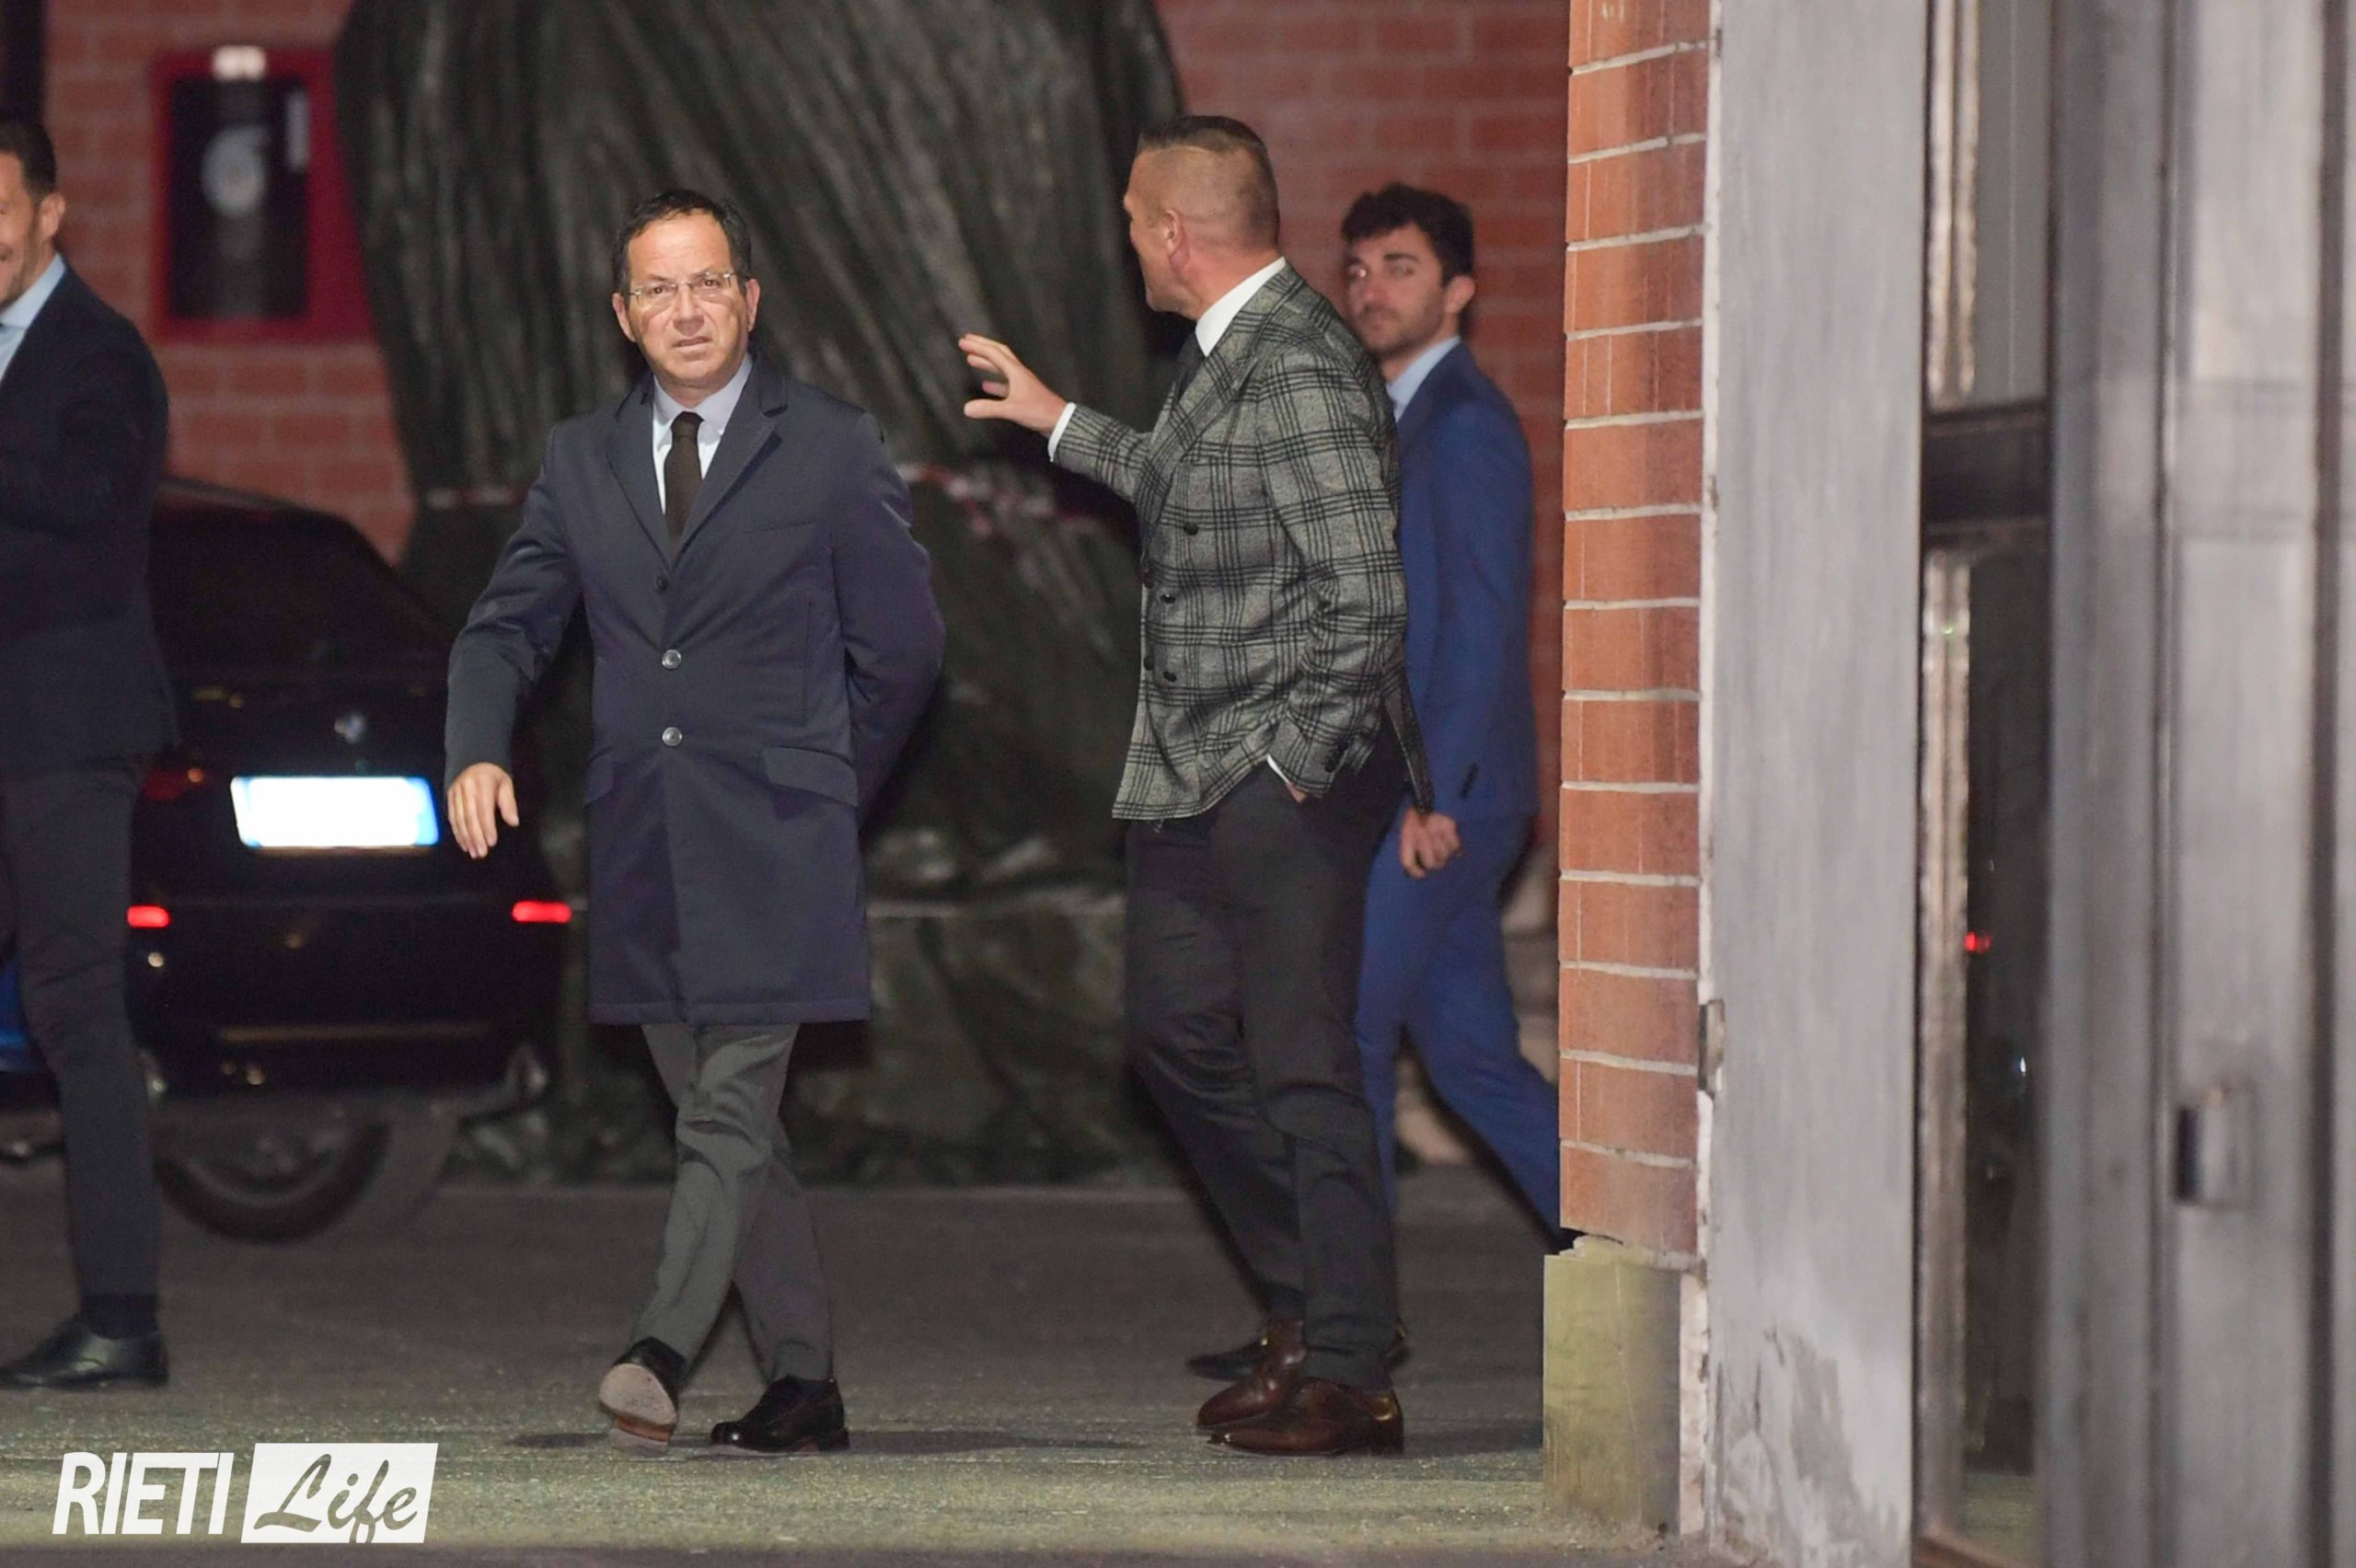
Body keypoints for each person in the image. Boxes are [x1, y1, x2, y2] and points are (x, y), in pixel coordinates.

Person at [961, 116, 1432, 1458]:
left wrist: (1290, 765)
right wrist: (1058, 421)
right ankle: (1308, 1302)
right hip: (1186, 765)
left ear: (1173, 233)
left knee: (1301, 1064)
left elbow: (1368, 599)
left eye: (1131, 219)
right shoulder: (1225, 350)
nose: (1125, 241)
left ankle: (1352, 1368)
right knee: (1171, 1034)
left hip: (1280, 774)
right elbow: (1185, 486)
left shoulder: (1301, 364)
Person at [445, 189, 943, 1456]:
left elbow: (902, 650)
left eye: (708, 282)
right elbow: (507, 628)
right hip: (646, 840)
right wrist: (476, 746)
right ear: (624, 316)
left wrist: (824, 789)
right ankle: (805, 1383)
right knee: (732, 1126)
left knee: (726, 1109)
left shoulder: (828, 445)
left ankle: (659, 1345)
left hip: (780, 838)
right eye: (659, 289)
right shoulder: (582, 457)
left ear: (750, 300)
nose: (687, 310)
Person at [1339, 185, 1556, 1223]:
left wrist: (1435, 795)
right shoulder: (1396, 419)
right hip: (1421, 793)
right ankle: (1634, 1253)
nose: (1370, 290)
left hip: (1440, 802)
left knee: (1341, 1034)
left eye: (1401, 268)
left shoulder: (1463, 426)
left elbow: (1480, 626)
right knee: (1471, 1062)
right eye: (1358, 269)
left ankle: (1343, 1306)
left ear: (1459, 291)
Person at [0, 120, 176, 1391]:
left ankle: (121, 1319)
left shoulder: (98, 353)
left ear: (50, 214)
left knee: (75, 1006)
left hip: (64, 734)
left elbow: (89, 500)